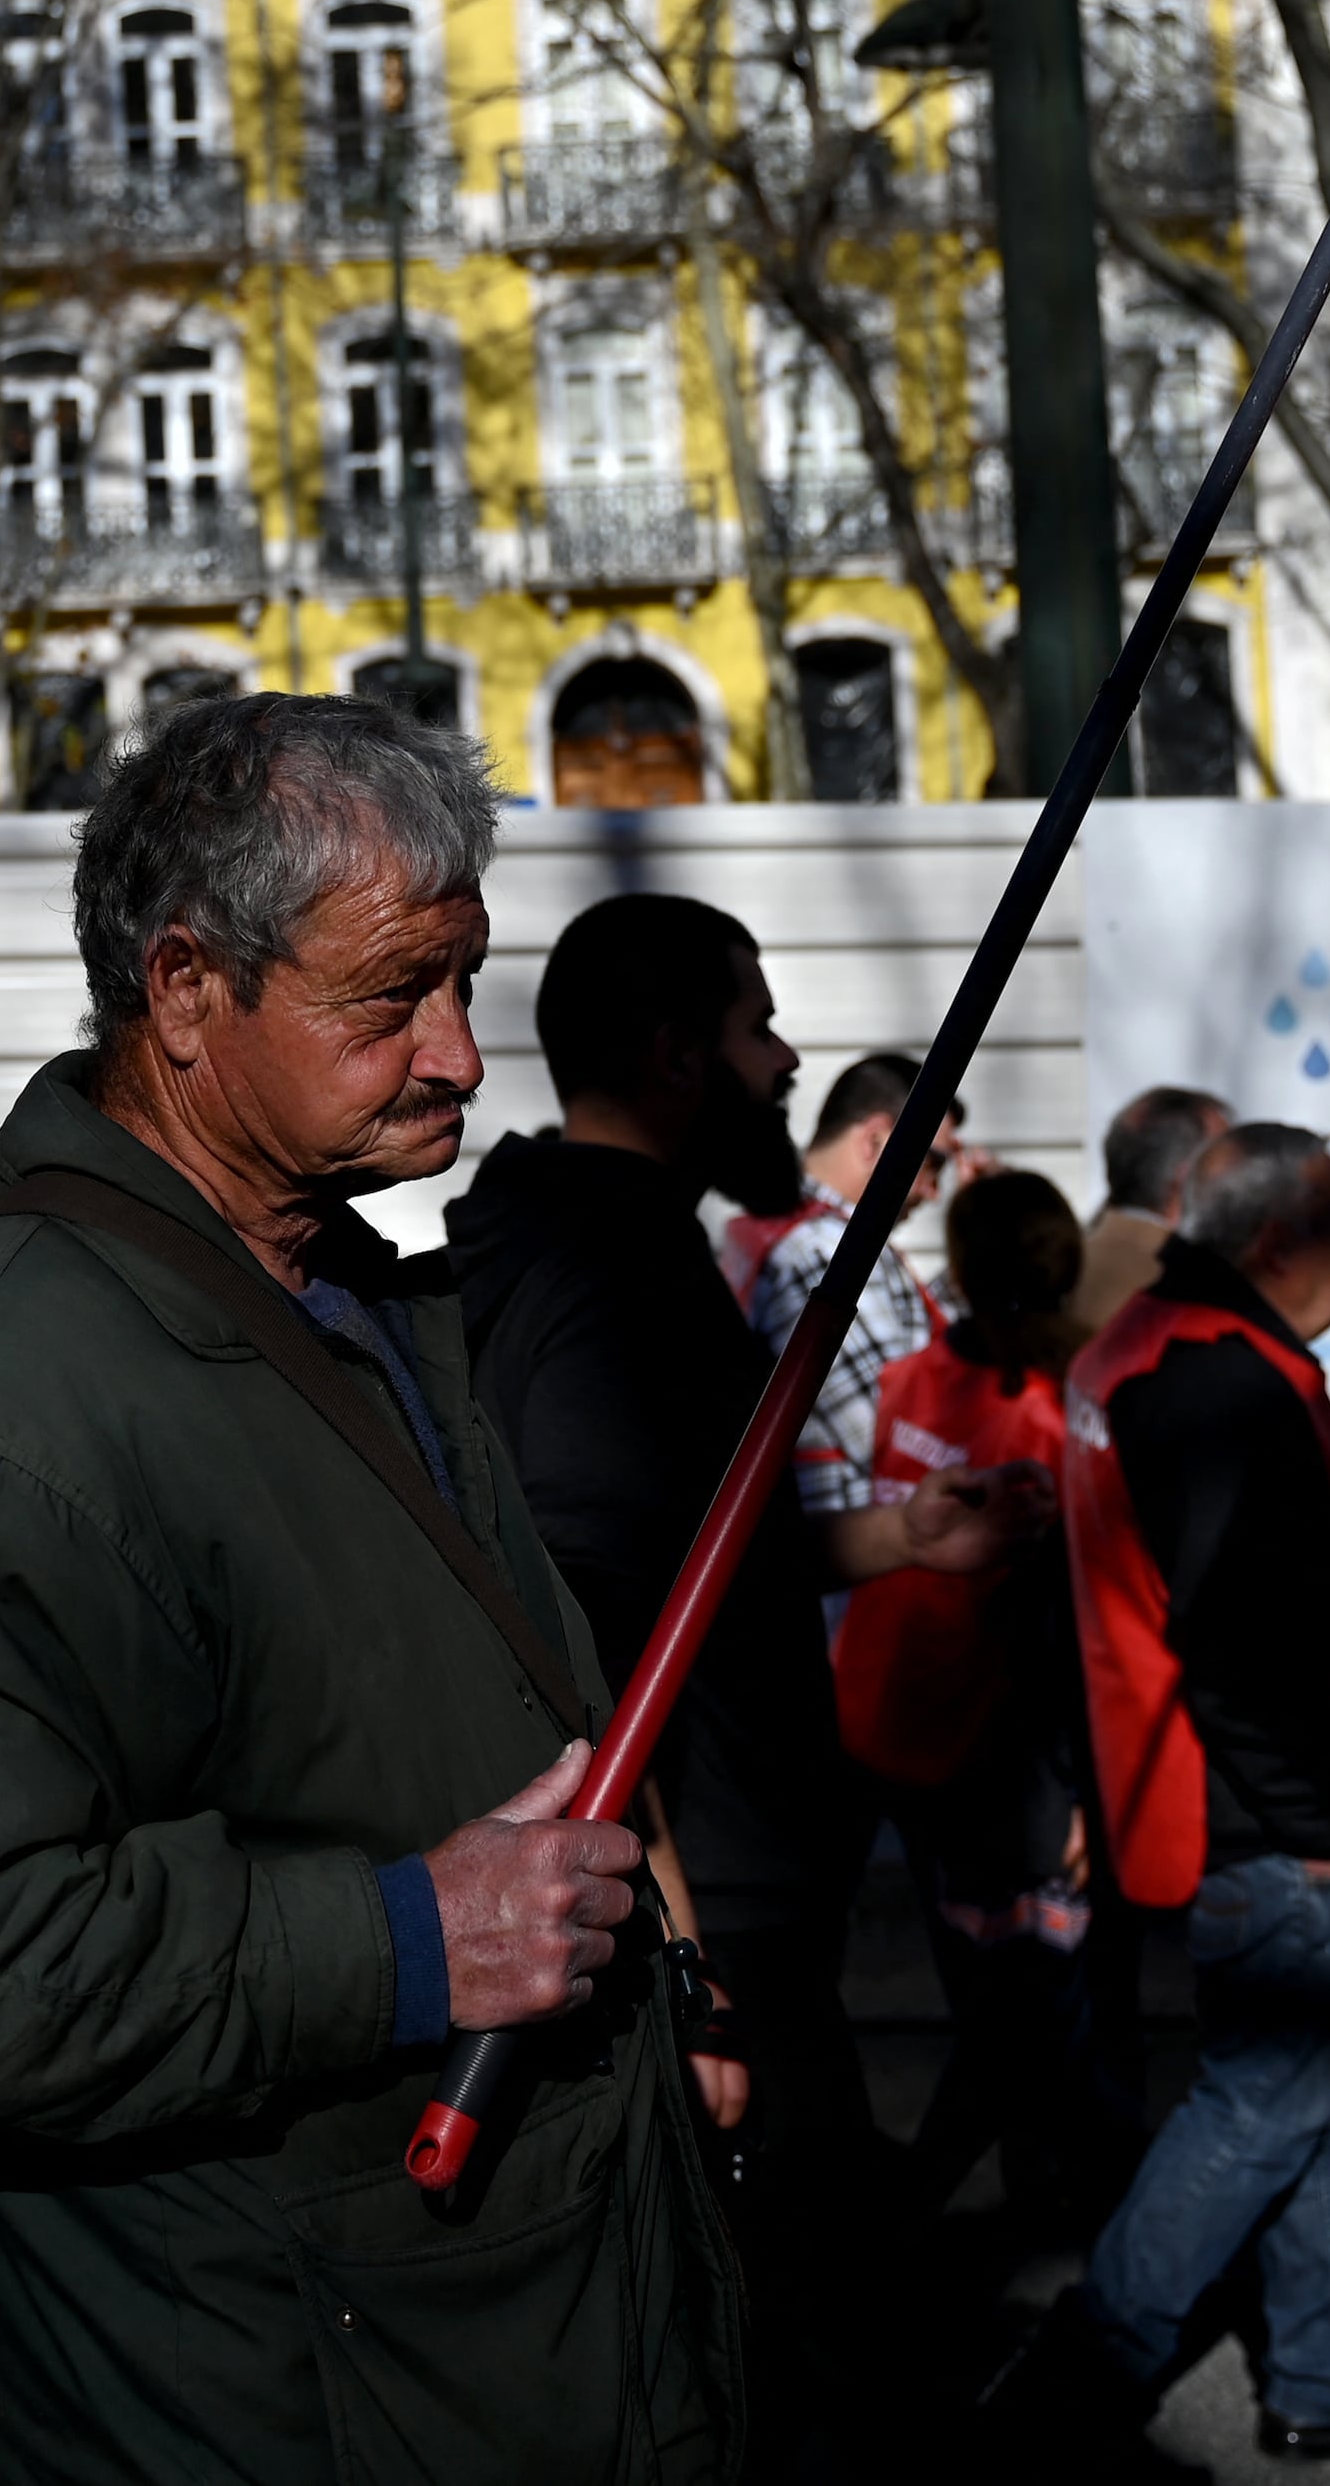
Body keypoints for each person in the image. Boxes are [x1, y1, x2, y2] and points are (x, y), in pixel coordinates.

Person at [0, 691, 735, 2482]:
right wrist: (407, 1940)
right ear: (186, 990)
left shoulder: (348, 1291)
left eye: (465, 981)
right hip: (259, 2397)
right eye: (389, 997)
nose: (459, 1055)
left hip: (476, 2353)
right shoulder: (3, 1397)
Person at [457, 888, 1023, 2453]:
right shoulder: (607, 1273)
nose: (786, 1060)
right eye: (757, 1023)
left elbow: (694, 1556)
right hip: (713, 1920)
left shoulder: (614, 1236)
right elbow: (583, 1634)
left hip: (734, 1893)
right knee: (790, 2352)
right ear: (674, 1053)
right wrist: (689, 1964)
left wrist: (898, 1536)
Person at [1012, 1124, 1330, 2461]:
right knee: (1263, 2100)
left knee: (1315, 2091)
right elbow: (1231, 1646)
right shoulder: (1213, 1379)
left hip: (1221, 1805)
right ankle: (1075, 2382)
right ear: (1276, 1245)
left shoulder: (1160, 1345)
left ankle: (1325, 2380)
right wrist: (1310, 1827)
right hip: (1258, 1825)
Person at [829, 1167, 1090, 2216]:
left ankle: (990, 2205)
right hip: (988, 1756)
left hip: (888, 1717)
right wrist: (1081, 1790)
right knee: (1019, 2012)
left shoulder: (912, 1379)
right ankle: (920, 2212)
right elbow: (1059, 1625)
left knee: (993, 2000)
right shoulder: (1059, 1416)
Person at [730, 1047, 968, 1523]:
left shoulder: (789, 1231)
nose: (935, 1191)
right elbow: (900, 1435)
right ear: (875, 1141)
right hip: (865, 1554)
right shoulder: (825, 1254)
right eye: (934, 1163)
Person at [1075, 1083, 1232, 1335]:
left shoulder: (1065, 1259)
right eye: (1229, 1163)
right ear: (1187, 1175)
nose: (1239, 1178)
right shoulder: (1191, 1284)